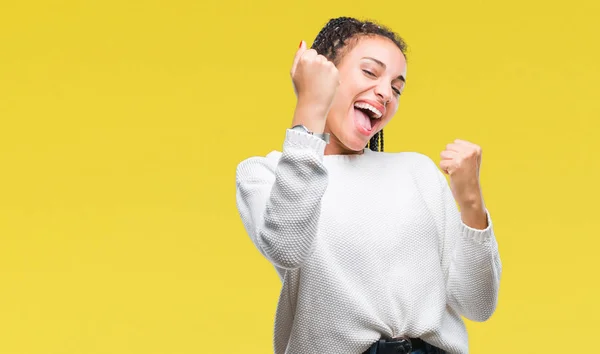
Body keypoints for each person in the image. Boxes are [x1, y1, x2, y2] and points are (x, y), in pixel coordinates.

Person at [235, 16, 502, 354]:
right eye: (371, 72)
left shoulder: (417, 171)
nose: (385, 93)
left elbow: (478, 305)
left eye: (397, 87)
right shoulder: (266, 172)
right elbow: (287, 247)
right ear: (326, 72)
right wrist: (309, 108)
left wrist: (471, 203)